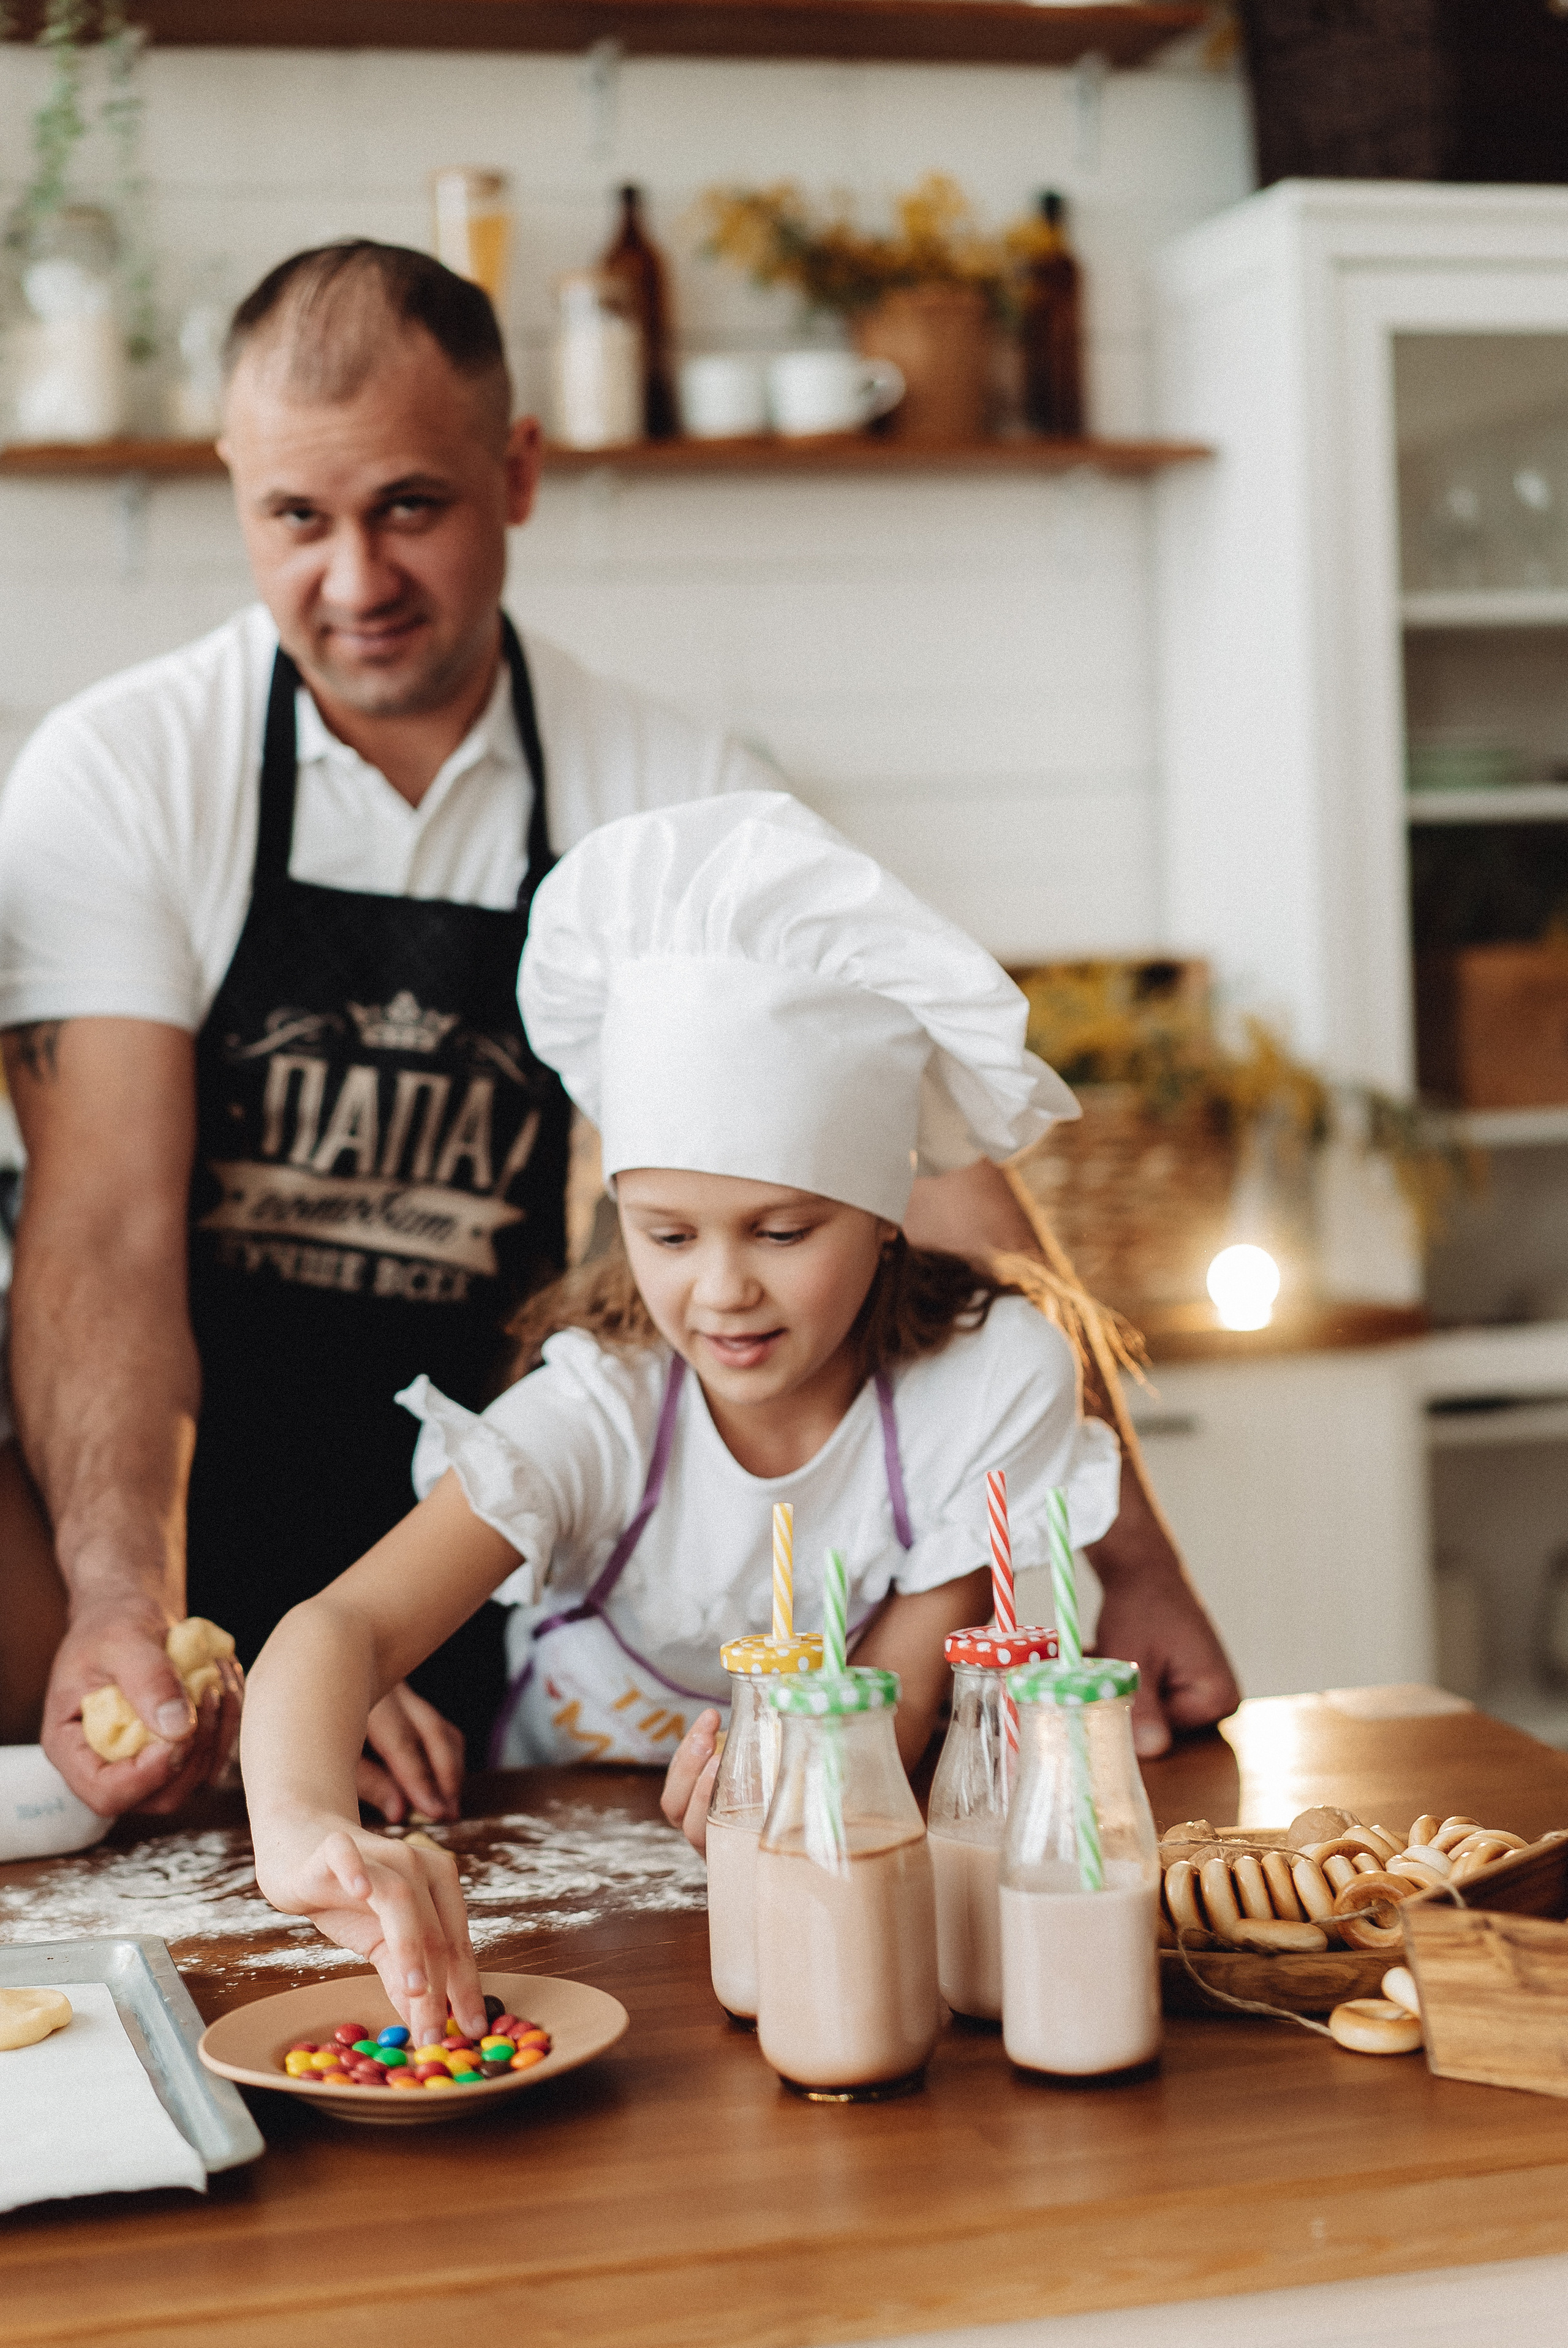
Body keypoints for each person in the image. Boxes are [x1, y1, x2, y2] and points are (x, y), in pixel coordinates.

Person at [0, 240, 782, 1823]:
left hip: (495, 1563)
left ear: (519, 473)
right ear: (235, 491)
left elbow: (899, 1162)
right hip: (165, 1566)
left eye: (409, 507)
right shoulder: (131, 772)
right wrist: (134, 1614)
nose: (354, 582)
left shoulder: (670, 782)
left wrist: (1133, 1552)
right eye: (296, 518)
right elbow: (102, 1239)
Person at [241, 792, 1132, 2037]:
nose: (720, 1292)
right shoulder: (602, 1412)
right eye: (667, 1234)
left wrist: (793, 1774)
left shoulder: (984, 1383)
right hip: (575, 1924)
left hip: (843, 1894)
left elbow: (900, 1708)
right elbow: (336, 1629)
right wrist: (300, 1830)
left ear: (882, 1213)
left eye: (782, 1230)